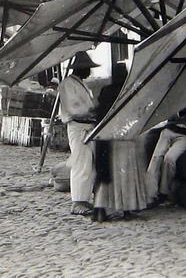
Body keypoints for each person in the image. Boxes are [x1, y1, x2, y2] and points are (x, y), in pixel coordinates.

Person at [93, 63, 149, 222]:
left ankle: (100, 209)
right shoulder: (128, 92)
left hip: (106, 140)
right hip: (125, 140)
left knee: (105, 175)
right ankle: (126, 208)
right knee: (125, 176)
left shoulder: (105, 91)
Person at [58, 51, 100, 215]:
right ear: (80, 69)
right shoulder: (68, 84)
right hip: (78, 126)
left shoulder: (82, 84)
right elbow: (74, 107)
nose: (89, 72)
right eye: (87, 68)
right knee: (81, 163)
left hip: (88, 126)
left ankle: (85, 198)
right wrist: (93, 110)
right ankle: (77, 202)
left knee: (89, 163)